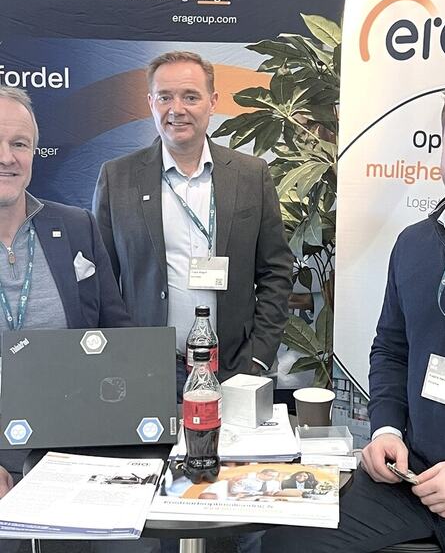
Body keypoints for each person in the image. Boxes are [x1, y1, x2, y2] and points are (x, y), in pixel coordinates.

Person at [263, 68, 445, 553]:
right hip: (412, 477)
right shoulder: (414, 244)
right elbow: (391, 350)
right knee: (285, 541)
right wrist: (385, 430)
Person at [92, 51, 293, 392]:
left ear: (212, 102)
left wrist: (258, 357)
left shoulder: (251, 175)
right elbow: (103, 281)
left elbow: (276, 270)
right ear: (150, 103)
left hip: (235, 366)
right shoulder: (118, 178)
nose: (177, 109)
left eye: (190, 97)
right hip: (146, 367)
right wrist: (123, 354)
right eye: (164, 97)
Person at [0, 86, 132, 552]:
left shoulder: (75, 226)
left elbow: (117, 336)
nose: (7, 157)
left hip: (79, 449)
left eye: (19, 144)